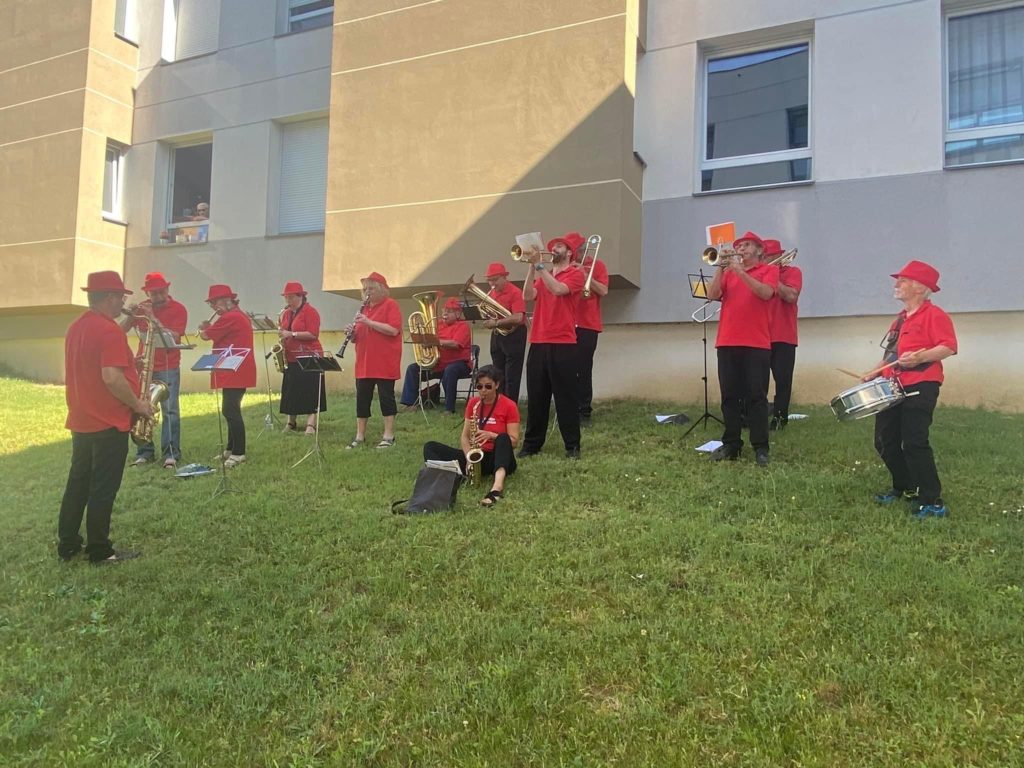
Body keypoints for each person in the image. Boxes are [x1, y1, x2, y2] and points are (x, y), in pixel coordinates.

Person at [58, 271, 153, 564]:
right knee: (103, 487)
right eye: (121, 297)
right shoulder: (109, 330)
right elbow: (111, 378)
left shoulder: (77, 327)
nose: (123, 302)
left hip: (82, 419)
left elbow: (97, 364)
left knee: (78, 482)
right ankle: (100, 550)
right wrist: (138, 404)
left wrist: (129, 364)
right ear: (110, 298)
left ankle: (68, 544)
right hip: (108, 421)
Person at [870, 260, 957, 518]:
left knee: (914, 442)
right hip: (892, 386)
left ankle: (933, 500)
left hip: (921, 384)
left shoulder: (935, 315)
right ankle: (905, 487)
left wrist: (919, 357)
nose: (897, 284)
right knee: (884, 441)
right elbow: (891, 354)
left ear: (920, 287)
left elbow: (949, 347)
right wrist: (873, 373)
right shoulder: (900, 319)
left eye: (903, 280)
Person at [705, 230, 779, 466]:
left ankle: (761, 447)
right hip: (727, 341)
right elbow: (711, 294)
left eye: (747, 245)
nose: (742, 248)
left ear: (759, 250)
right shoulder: (729, 272)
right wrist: (721, 268)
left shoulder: (769, 270)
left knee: (756, 397)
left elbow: (765, 293)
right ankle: (732, 444)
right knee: (729, 396)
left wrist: (739, 271)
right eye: (740, 245)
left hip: (756, 343)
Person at [518, 231, 586, 459]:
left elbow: (558, 290)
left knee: (566, 397)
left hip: (563, 343)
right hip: (538, 341)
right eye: (553, 245)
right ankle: (531, 445)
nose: (554, 249)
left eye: (559, 246)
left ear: (569, 252)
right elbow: (527, 295)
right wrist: (530, 267)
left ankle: (572, 446)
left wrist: (539, 267)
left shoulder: (575, 273)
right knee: (536, 397)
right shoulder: (542, 273)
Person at [423, 364, 520, 507]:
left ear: (497, 385)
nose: (483, 391)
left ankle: (496, 488)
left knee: (503, 438)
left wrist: (492, 435)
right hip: (477, 456)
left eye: (488, 386)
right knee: (430, 447)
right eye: (479, 387)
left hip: (498, 457)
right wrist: (469, 457)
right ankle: (456, 476)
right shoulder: (473, 403)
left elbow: (514, 442)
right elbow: (464, 437)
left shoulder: (509, 405)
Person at [121, 272, 188, 468]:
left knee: (170, 411)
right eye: (153, 293)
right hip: (144, 365)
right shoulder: (142, 308)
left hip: (168, 366)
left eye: (161, 292)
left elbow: (175, 337)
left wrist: (153, 318)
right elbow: (119, 331)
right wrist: (131, 316)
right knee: (140, 408)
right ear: (147, 293)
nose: (157, 297)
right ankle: (144, 451)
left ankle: (171, 453)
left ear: (167, 290)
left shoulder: (178, 309)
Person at [199, 284, 256, 468]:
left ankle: (239, 453)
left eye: (214, 302)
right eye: (211, 304)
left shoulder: (230, 317)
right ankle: (231, 449)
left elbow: (206, 336)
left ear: (226, 300)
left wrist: (203, 329)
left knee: (231, 410)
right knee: (230, 409)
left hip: (234, 369)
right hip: (233, 368)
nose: (213, 307)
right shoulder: (236, 315)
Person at [347, 272, 402, 448]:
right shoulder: (363, 309)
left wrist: (368, 322)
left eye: (370, 288)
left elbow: (393, 330)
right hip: (364, 362)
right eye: (365, 289)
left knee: (386, 397)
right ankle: (360, 435)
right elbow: (361, 334)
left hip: (384, 361)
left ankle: (388, 436)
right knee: (362, 399)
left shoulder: (390, 305)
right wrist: (352, 334)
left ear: (380, 290)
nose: (367, 292)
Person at [400, 297, 472, 414]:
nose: (444, 314)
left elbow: (455, 344)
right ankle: (410, 404)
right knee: (413, 368)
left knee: (450, 370)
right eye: (444, 311)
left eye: (449, 311)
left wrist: (437, 341)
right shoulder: (437, 324)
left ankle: (449, 408)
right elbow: (429, 343)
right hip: (438, 364)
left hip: (459, 364)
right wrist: (423, 340)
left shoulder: (462, 326)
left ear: (458, 313)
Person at [762, 239, 802, 431]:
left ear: (778, 256)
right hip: (759, 334)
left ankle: (779, 418)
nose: (763, 260)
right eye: (762, 256)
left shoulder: (792, 272)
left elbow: (791, 296)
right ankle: (755, 417)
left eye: (767, 256)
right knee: (757, 380)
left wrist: (771, 277)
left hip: (784, 335)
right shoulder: (756, 274)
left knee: (783, 381)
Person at [277, 281, 326, 434]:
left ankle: (311, 424)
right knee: (292, 390)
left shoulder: (310, 312)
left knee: (310, 389)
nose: (288, 301)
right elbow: (284, 331)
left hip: (309, 355)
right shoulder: (286, 313)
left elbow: (313, 334)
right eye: (286, 297)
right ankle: (291, 422)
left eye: (291, 297)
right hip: (291, 356)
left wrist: (291, 334)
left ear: (301, 297)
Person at [573, 236, 608, 427]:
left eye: (576, 249)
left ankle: (584, 410)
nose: (574, 253)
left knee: (584, 369)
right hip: (568, 324)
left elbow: (603, 290)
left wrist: (585, 275)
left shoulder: (597, 265)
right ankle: (569, 407)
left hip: (588, 325)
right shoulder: (566, 266)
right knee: (567, 369)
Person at [482, 261, 527, 402]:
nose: (492, 284)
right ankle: (499, 403)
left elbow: (519, 317)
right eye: (489, 281)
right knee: (497, 372)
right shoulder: (492, 294)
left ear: (504, 277)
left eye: (495, 280)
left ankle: (511, 405)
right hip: (497, 335)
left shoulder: (515, 292)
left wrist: (496, 322)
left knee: (512, 374)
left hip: (514, 335)